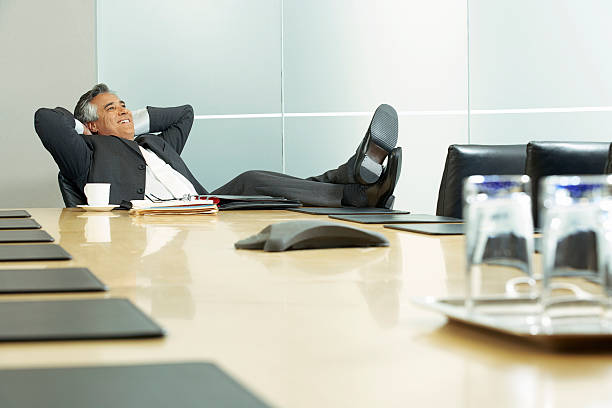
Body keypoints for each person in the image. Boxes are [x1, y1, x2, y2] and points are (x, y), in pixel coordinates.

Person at [35, 84, 401, 208]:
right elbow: (45, 119)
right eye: (112, 108)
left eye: (125, 103)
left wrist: (132, 122)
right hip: (163, 220)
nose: (124, 110)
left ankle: (351, 178)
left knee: (264, 185)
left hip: (204, 206)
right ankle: (356, 191)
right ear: (91, 124)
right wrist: (92, 130)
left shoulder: (156, 145)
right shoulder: (89, 154)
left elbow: (184, 115)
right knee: (254, 179)